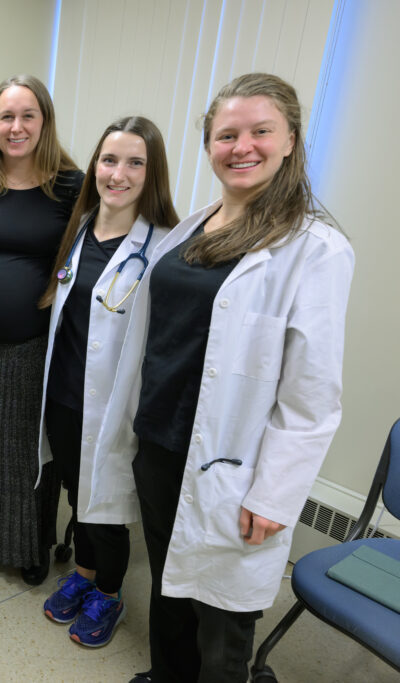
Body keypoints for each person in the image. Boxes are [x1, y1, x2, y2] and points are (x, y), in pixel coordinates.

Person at [96, 73, 354, 683]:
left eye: (260, 131)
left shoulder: (315, 250)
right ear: (209, 144)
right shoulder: (192, 228)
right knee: (169, 584)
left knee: (223, 617)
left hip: (232, 469)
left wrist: (275, 494)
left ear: (290, 139)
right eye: (226, 134)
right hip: (160, 445)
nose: (242, 146)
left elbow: (311, 397)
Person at [36, 117, 179, 648]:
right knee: (80, 491)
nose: (118, 173)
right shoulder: (80, 228)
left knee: (109, 505)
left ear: (152, 172)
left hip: (115, 405)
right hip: (67, 395)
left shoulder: (162, 249)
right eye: (109, 160)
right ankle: (86, 574)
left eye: (134, 162)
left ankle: (110, 593)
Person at [0, 74, 84, 585]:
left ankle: (29, 546)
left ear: (44, 122)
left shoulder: (71, 186)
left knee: (29, 451)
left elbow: (95, 250)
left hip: (34, 346)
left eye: (28, 115)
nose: (16, 126)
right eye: (6, 116)